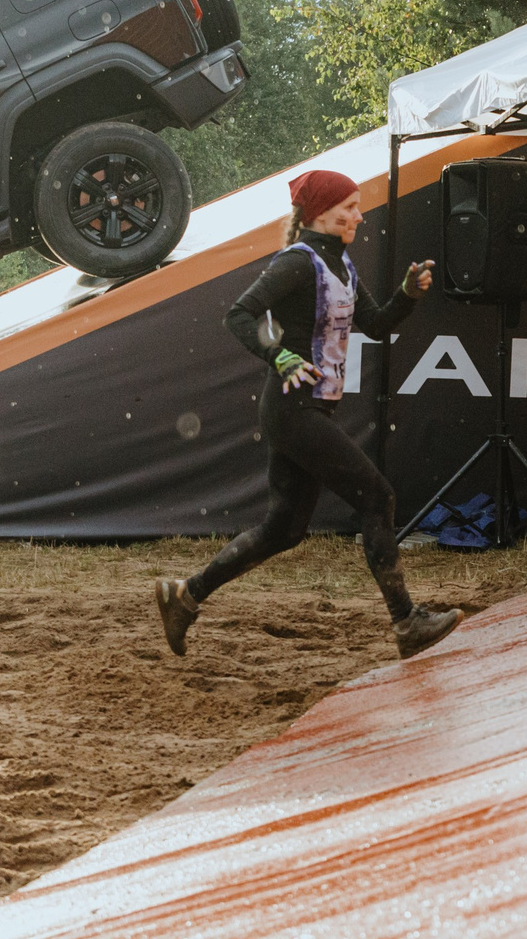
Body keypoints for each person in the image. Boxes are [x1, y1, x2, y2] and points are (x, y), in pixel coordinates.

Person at [156, 169, 464, 661]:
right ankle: (406, 622)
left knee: (285, 529)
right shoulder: (298, 263)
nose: (359, 216)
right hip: (292, 407)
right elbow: (238, 313)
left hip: (308, 409)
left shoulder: (341, 264)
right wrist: (278, 355)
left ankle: (184, 596)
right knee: (378, 497)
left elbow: (377, 324)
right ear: (321, 212)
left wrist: (408, 294)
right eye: (350, 207)